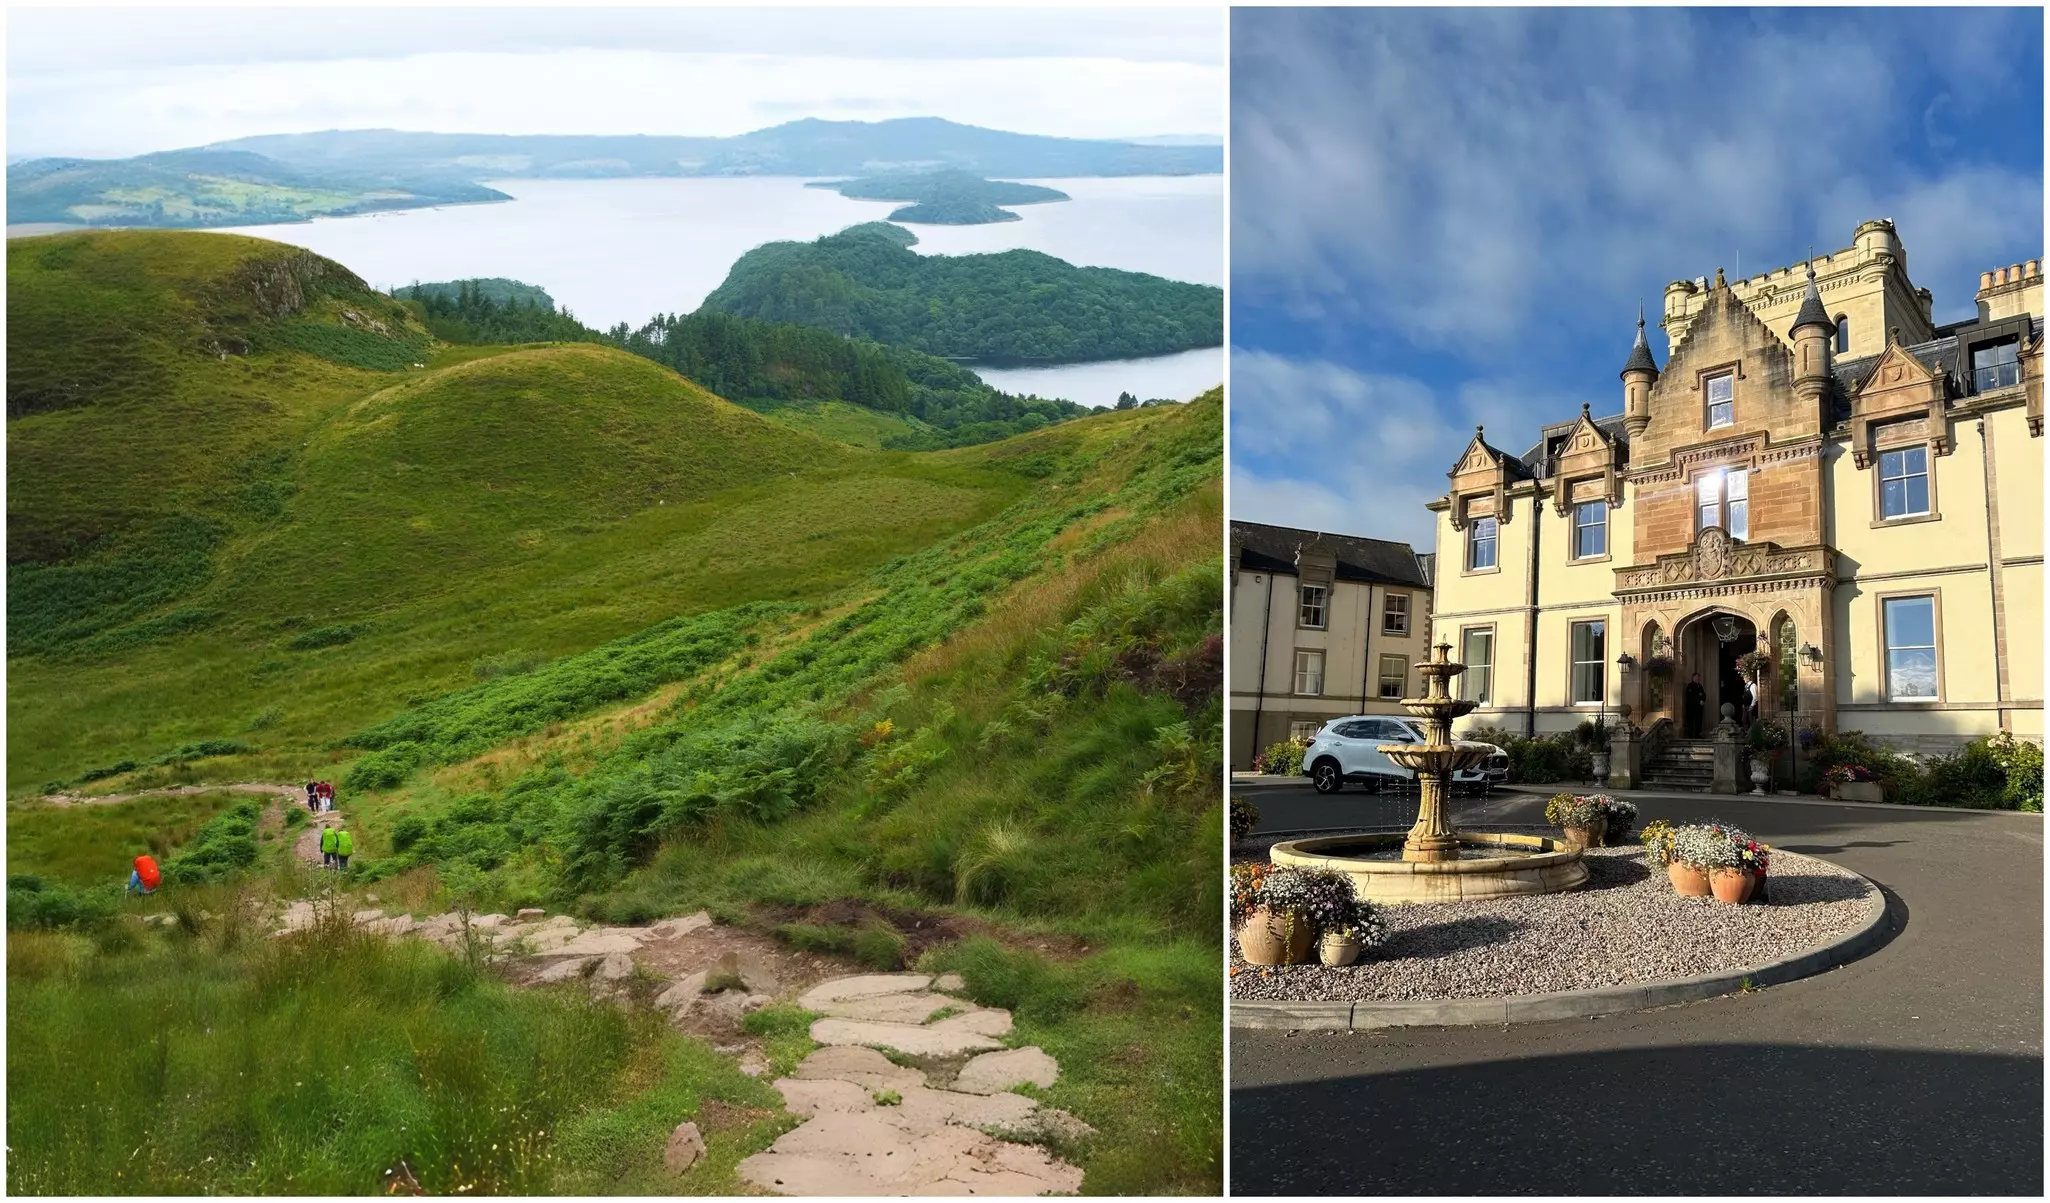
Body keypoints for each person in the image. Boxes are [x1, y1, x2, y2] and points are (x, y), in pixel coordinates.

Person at [1684, 672, 1707, 738]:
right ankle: (1690, 735)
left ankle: (1698, 734)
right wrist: (1698, 699)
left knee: (1699, 721)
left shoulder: (1700, 686)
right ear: (1693, 677)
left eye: (1698, 677)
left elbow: (1704, 694)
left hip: (1699, 707)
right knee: (1691, 721)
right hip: (1692, 707)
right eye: (1697, 677)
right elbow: (1690, 696)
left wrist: (1703, 700)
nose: (1698, 678)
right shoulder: (1690, 686)